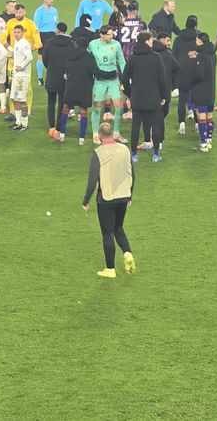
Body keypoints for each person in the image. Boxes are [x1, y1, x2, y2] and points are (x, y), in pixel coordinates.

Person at [82, 122, 136, 279]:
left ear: (99, 136)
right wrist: (130, 195)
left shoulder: (98, 153)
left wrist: (86, 200)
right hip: (123, 195)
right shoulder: (125, 149)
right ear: (113, 134)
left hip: (106, 198)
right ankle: (127, 253)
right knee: (119, 228)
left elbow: (93, 179)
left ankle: (110, 269)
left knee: (107, 232)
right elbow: (132, 173)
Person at [121, 31, 169, 162]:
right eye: (151, 40)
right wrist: (163, 96)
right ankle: (156, 154)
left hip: (137, 97)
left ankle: (134, 155)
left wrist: (130, 94)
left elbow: (124, 79)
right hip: (153, 97)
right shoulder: (156, 57)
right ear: (146, 41)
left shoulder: (132, 58)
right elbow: (162, 80)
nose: (152, 42)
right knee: (155, 125)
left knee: (135, 125)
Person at [1, 3, 43, 121]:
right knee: (12, 86)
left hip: (25, 62)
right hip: (12, 62)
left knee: (26, 87)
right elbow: (2, 38)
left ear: (24, 12)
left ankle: (27, 111)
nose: (18, 14)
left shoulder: (30, 24)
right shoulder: (10, 23)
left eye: (20, 12)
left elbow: (38, 43)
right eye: (16, 12)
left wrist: (26, 51)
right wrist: (10, 50)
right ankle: (13, 112)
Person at [88, 25, 126, 142]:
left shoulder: (116, 45)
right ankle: (95, 134)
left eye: (112, 34)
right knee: (97, 107)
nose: (111, 36)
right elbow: (87, 59)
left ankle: (117, 133)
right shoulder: (93, 44)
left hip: (113, 80)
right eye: (109, 34)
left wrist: (125, 78)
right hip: (99, 81)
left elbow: (122, 61)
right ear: (101, 35)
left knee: (119, 107)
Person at [58, 34, 97, 145]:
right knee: (83, 111)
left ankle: (62, 134)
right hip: (84, 87)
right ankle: (81, 139)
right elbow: (95, 72)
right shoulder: (89, 57)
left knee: (66, 108)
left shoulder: (70, 55)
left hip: (71, 86)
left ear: (76, 45)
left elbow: (66, 69)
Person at [43, 22, 77, 138]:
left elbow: (45, 60)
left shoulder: (49, 43)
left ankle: (51, 127)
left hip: (52, 76)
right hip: (65, 78)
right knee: (62, 104)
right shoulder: (71, 44)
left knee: (51, 102)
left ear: (57, 30)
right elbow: (73, 61)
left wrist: (51, 68)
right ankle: (59, 128)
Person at [188, 32, 217, 151]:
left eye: (197, 40)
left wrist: (191, 82)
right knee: (209, 115)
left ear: (200, 41)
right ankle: (209, 139)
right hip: (211, 89)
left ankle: (204, 144)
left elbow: (200, 74)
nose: (195, 42)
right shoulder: (213, 54)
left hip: (201, 90)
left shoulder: (202, 56)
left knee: (201, 116)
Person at [149, 33, 179, 150]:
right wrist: (171, 79)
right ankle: (159, 141)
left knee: (154, 115)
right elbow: (177, 67)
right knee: (161, 115)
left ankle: (152, 138)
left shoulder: (150, 55)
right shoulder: (167, 54)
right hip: (165, 89)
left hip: (152, 89)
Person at [173, 16, 199, 135]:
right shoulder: (198, 38)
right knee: (196, 99)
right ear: (195, 25)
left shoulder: (178, 39)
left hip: (182, 71)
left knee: (182, 100)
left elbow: (173, 56)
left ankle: (182, 125)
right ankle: (197, 124)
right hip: (195, 71)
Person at [8, 25, 34, 130]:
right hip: (16, 75)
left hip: (23, 76)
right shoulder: (17, 42)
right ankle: (18, 122)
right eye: (15, 32)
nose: (16, 34)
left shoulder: (24, 43)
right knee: (14, 98)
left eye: (18, 32)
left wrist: (22, 66)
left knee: (22, 100)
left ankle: (24, 124)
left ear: (23, 33)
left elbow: (30, 57)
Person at [33, 0, 59, 85]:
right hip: (43, 35)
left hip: (53, 35)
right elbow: (35, 27)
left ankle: (52, 77)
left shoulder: (54, 10)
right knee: (41, 56)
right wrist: (37, 40)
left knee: (53, 57)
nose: (52, 0)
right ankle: (40, 78)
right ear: (44, 0)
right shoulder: (39, 11)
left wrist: (57, 34)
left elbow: (57, 23)